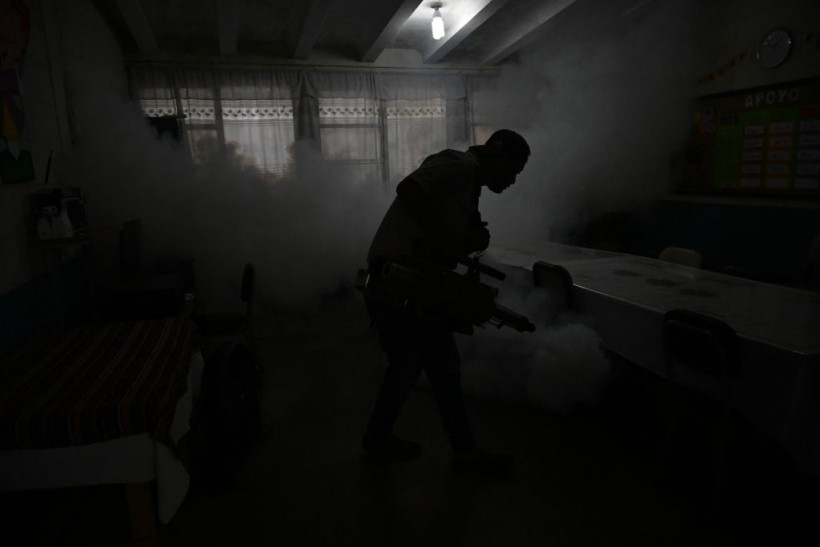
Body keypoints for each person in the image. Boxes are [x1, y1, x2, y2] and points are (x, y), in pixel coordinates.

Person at [362, 129, 531, 476]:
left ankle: (459, 451)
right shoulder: (459, 164)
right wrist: (446, 235)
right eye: (512, 171)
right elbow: (409, 189)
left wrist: (469, 238)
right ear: (496, 156)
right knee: (414, 365)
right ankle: (445, 450)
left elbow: (447, 242)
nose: (512, 181)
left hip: (416, 285)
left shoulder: (470, 190)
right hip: (398, 281)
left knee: (437, 368)